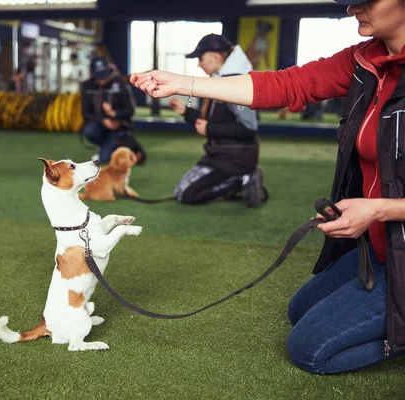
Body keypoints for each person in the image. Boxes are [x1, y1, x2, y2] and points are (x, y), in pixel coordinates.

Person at [129, 0, 405, 375]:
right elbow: (287, 84)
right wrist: (184, 82)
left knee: (309, 351)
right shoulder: (364, 60)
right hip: (382, 244)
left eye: (366, 0)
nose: (351, 8)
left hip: (394, 231)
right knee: (299, 310)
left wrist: (380, 209)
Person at [168, 34, 266, 207]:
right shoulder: (222, 80)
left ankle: (244, 179)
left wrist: (209, 129)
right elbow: (214, 121)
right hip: (218, 155)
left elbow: (248, 128)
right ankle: (240, 178)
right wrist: (186, 112)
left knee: (186, 195)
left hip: (235, 159)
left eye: (201, 58)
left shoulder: (236, 84)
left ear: (216, 56)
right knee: (180, 191)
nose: (199, 64)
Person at [80, 56, 138, 164]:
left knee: (105, 158)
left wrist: (115, 115)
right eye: (99, 77)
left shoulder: (121, 84)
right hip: (100, 123)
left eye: (104, 76)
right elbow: (85, 113)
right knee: (89, 131)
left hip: (119, 125)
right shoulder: (87, 86)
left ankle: (115, 146)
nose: (102, 80)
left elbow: (130, 111)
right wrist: (103, 120)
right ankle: (106, 146)